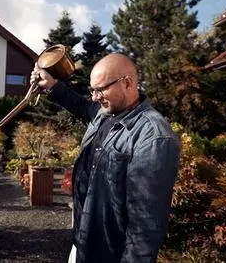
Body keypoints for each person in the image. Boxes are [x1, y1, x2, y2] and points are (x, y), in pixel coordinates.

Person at [30, 53, 181, 263]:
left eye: (100, 90)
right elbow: (82, 106)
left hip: (110, 254)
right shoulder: (104, 113)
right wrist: (52, 85)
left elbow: (146, 224)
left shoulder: (153, 136)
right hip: (83, 242)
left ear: (127, 83)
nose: (94, 97)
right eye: (92, 90)